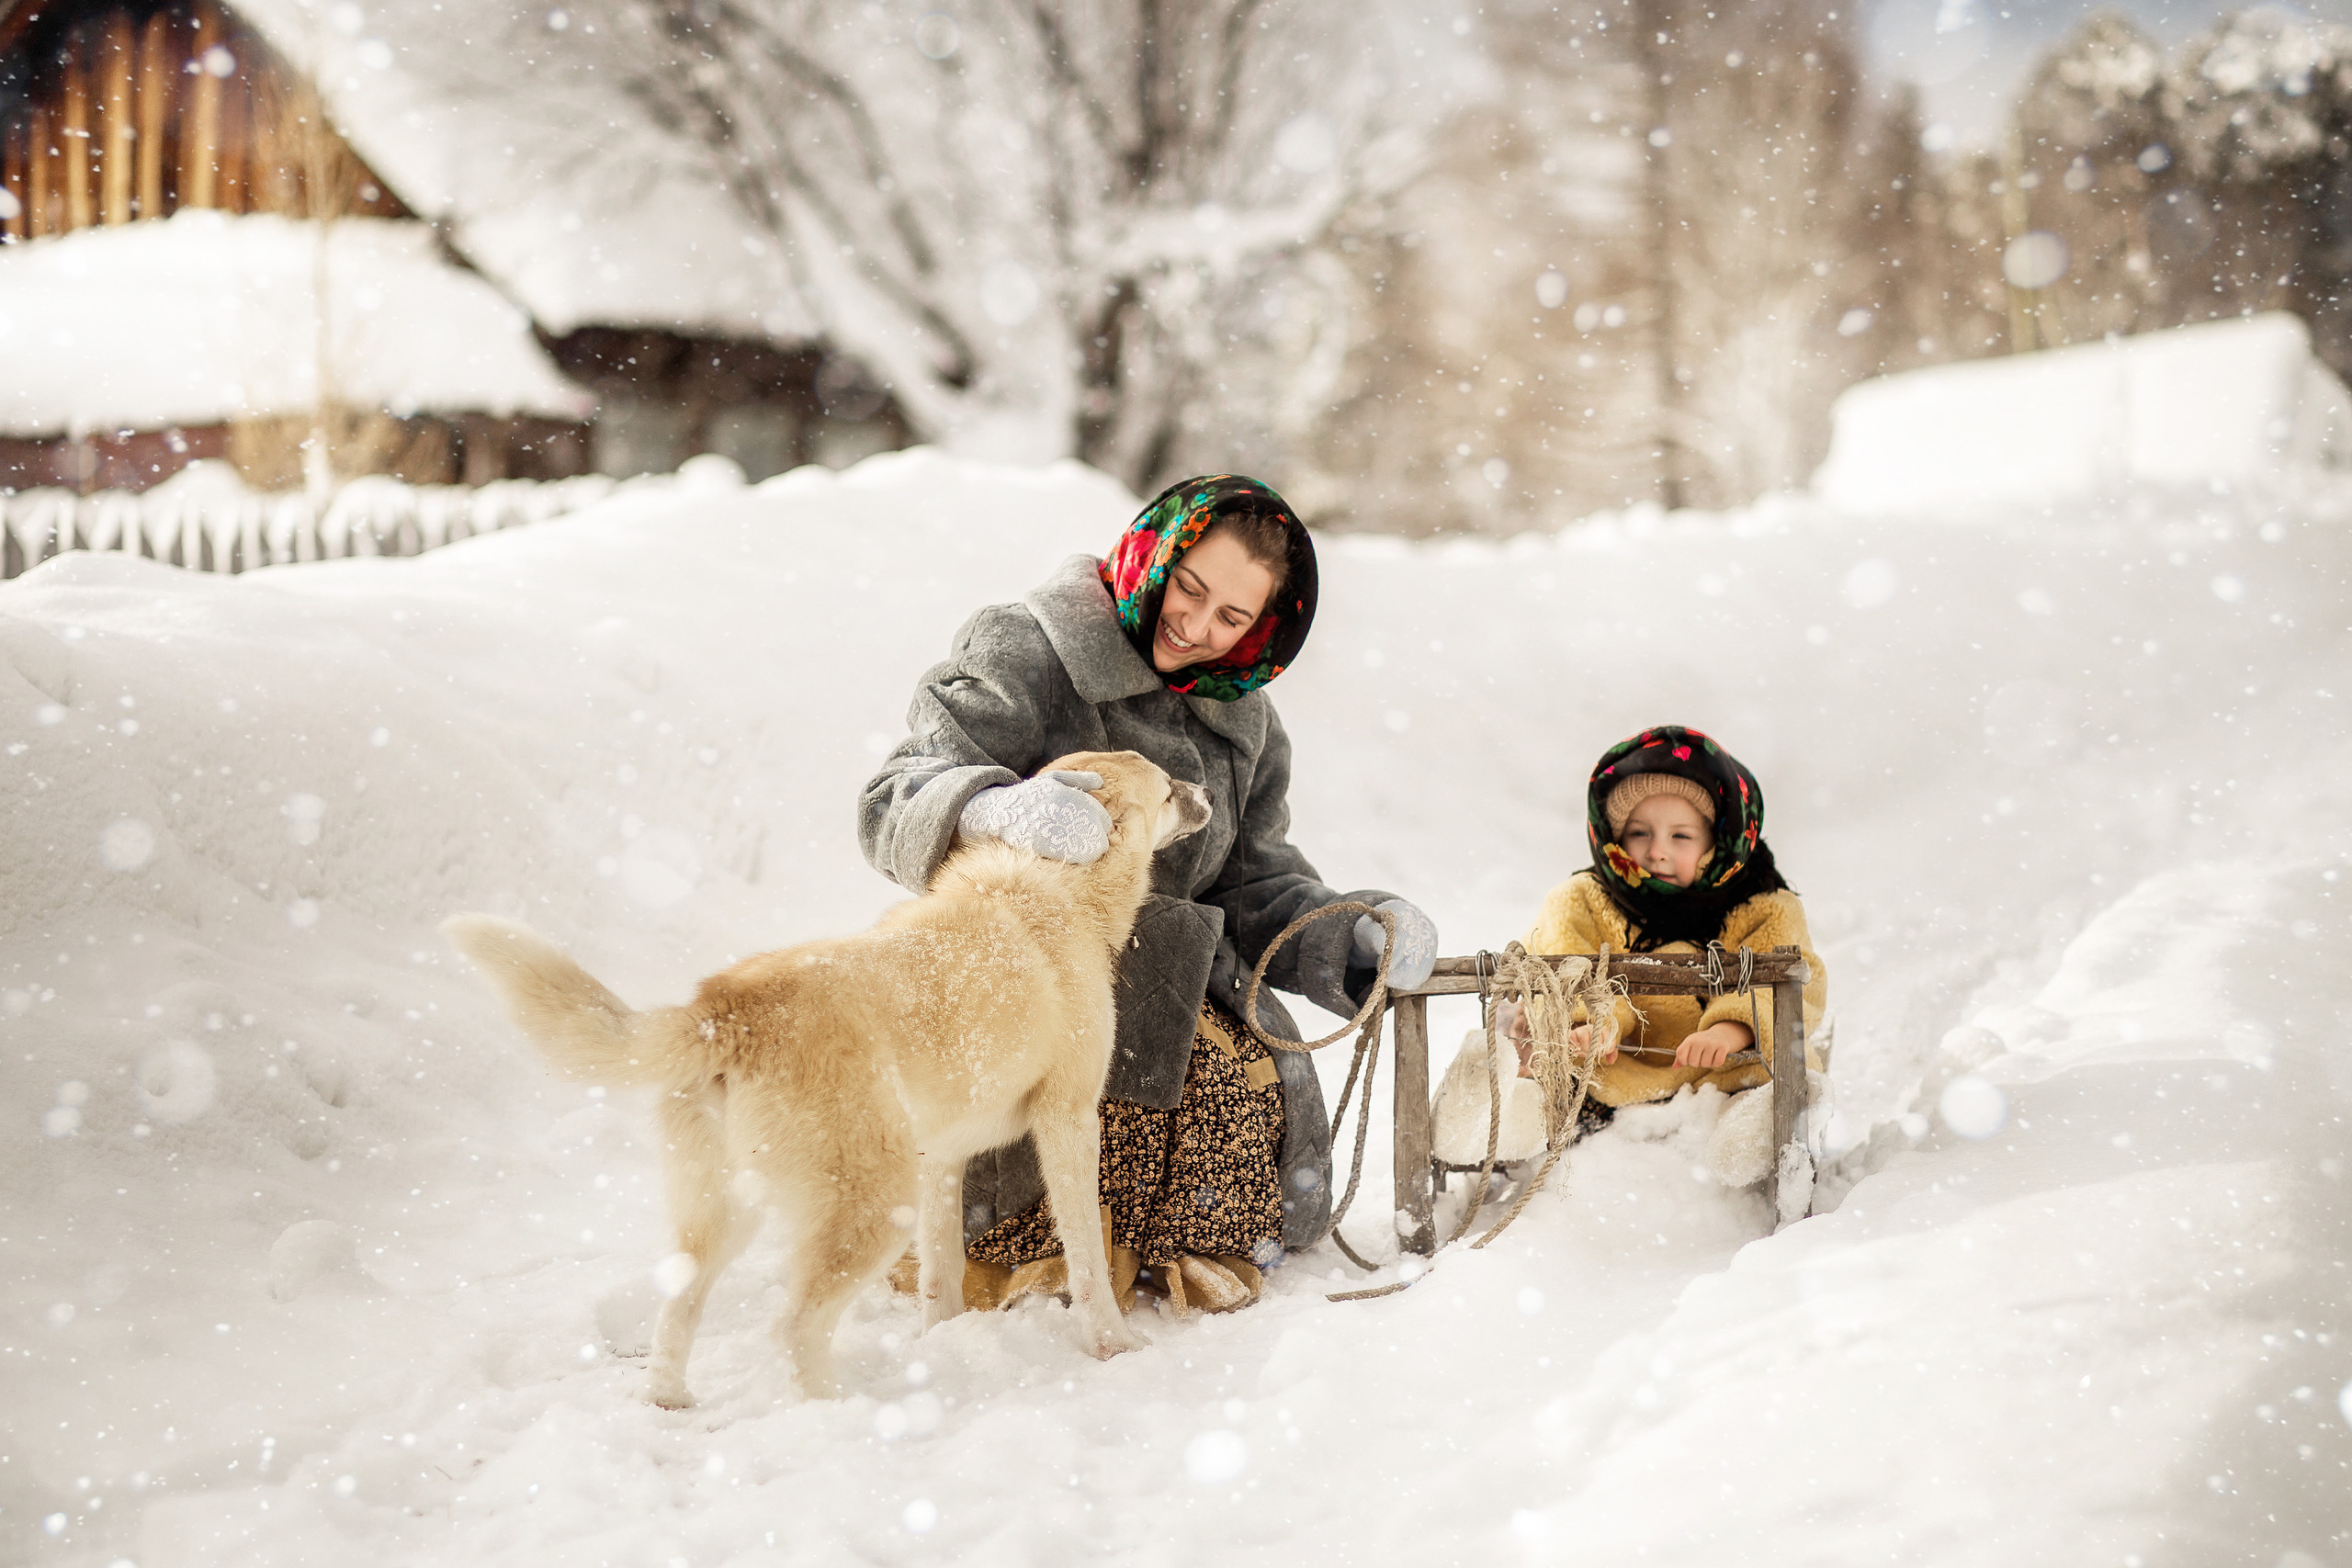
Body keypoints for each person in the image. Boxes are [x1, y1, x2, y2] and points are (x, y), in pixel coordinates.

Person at [859, 474, 1439, 1314]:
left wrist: (1351, 933)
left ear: (1261, 628)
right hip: (1020, 975)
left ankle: (1167, 1243)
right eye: (1188, 588)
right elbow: (895, 795)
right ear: (1156, 553)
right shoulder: (1028, 647)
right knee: (1059, 1087)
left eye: (1231, 617)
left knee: (1228, 1084)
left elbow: (1254, 881)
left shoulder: (1246, 721)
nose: (1196, 627)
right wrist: (997, 810)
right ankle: (1041, 1249)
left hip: (1178, 981)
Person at [1509, 724, 1826, 1187]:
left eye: (1681, 836)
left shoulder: (1767, 907)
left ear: (1718, 842)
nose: (1657, 852)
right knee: (1544, 1070)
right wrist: (1593, 1023)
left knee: (1771, 1081)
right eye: (1639, 833)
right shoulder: (1580, 900)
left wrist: (1732, 1028)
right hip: (1613, 1071)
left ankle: (1752, 1129)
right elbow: (1560, 960)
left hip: (1725, 1072)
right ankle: (1505, 1120)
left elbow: (1796, 984)